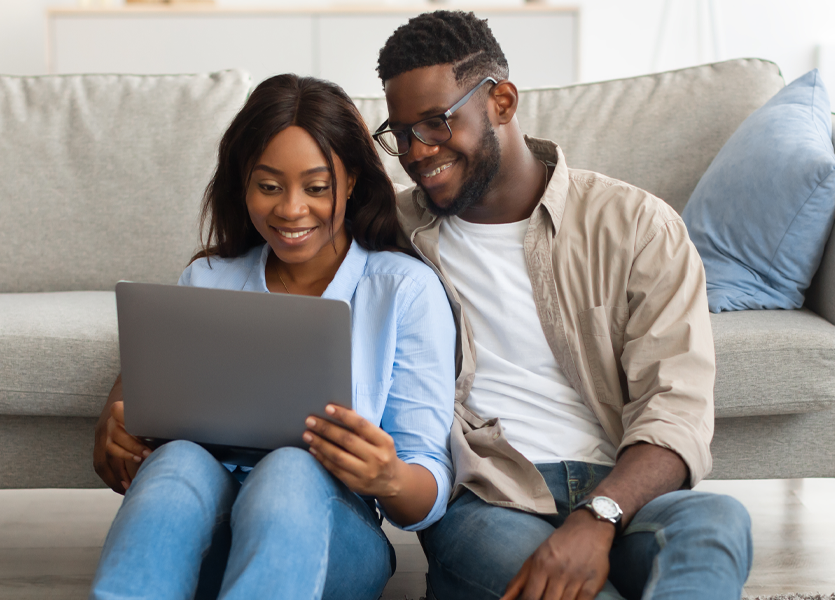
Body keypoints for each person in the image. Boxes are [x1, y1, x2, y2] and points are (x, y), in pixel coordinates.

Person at [372, 10, 753, 600]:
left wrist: (599, 515)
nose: (415, 152)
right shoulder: (390, 233)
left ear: (501, 101)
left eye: (434, 124)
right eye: (399, 133)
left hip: (623, 488)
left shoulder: (635, 227)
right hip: (488, 500)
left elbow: (675, 407)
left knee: (718, 522)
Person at [89, 74, 456, 600]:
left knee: (289, 467)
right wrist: (118, 433)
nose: (290, 209)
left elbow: (430, 489)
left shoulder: (403, 291)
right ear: (243, 184)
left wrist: (389, 477)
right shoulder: (208, 280)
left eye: (316, 187)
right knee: (177, 461)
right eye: (269, 186)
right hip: (205, 537)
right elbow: (137, 414)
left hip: (328, 538)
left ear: (351, 182)